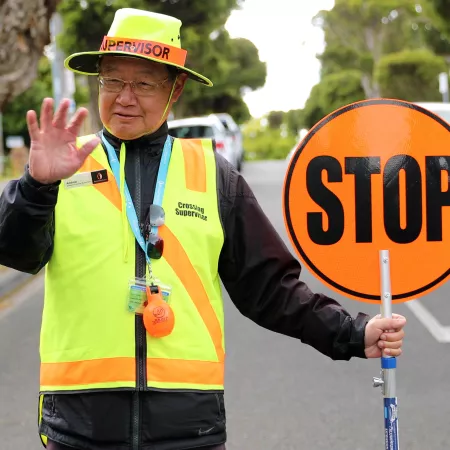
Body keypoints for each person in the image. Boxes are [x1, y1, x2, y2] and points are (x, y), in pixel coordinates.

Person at [0, 8, 406, 450]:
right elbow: (16, 252)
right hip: (80, 428)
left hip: (188, 428)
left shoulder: (214, 175)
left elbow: (270, 288)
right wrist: (36, 186)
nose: (124, 97)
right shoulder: (61, 166)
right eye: (112, 80)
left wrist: (350, 332)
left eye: (143, 84)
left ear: (174, 89)